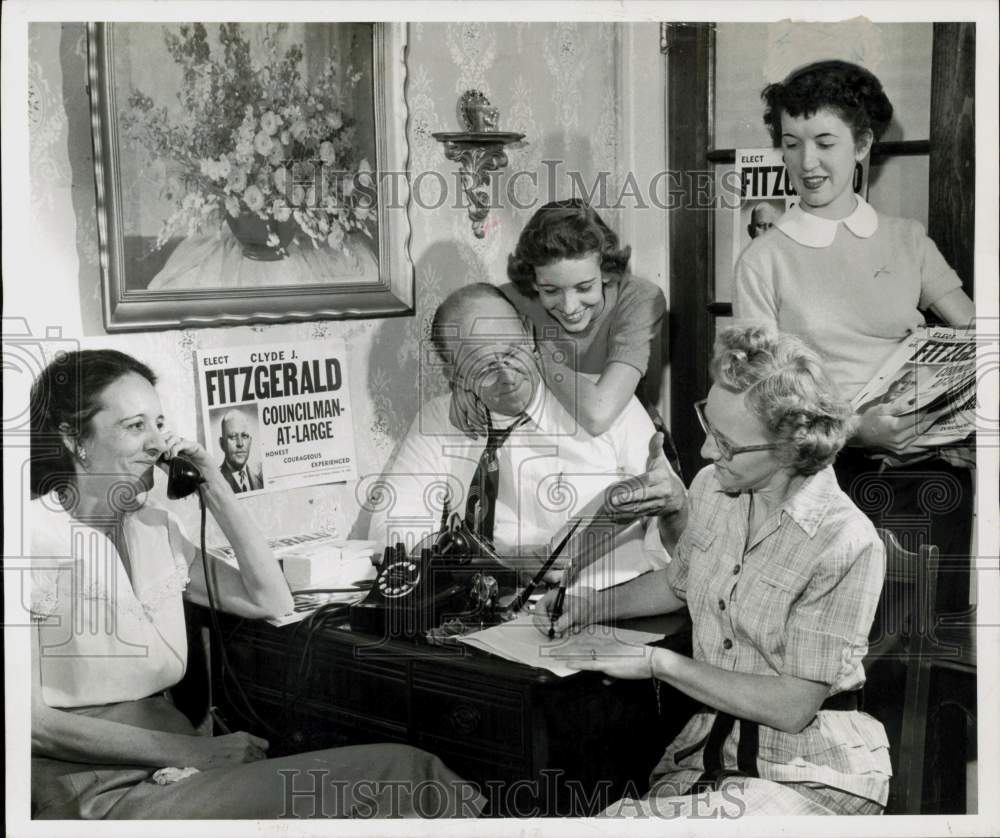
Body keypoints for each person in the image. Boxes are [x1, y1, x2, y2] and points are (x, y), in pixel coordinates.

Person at [27, 349, 483, 819]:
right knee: (406, 776)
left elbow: (269, 597)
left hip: (179, 764)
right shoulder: (27, 537)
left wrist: (216, 487)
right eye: (134, 425)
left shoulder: (155, 527)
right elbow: (30, 724)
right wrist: (195, 754)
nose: (157, 444)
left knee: (408, 773)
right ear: (73, 438)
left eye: (159, 424)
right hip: (97, 785)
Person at [537, 326, 891, 816]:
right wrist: (586, 606)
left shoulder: (845, 542)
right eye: (709, 430)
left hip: (808, 773)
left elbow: (792, 707)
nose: (706, 454)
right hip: (706, 757)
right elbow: (677, 582)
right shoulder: (711, 487)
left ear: (792, 447)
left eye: (727, 445)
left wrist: (660, 663)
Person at [732, 59, 976, 611]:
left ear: (862, 144)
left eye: (824, 142)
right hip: (823, 472)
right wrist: (858, 430)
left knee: (930, 641)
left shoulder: (907, 239)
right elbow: (758, 398)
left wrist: (961, 427)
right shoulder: (762, 259)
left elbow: (980, 338)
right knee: (850, 654)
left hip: (926, 469)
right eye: (791, 144)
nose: (806, 162)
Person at [366, 283, 674, 590]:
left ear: (529, 335)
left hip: (608, 601)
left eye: (512, 352)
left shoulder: (604, 404)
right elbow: (390, 533)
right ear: (455, 375)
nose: (507, 376)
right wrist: (499, 563)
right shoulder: (441, 419)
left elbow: (670, 526)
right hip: (488, 611)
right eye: (483, 366)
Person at [452, 199, 672, 450]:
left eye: (584, 287)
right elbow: (465, 334)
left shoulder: (641, 298)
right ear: (533, 281)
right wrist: (463, 383)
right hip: (548, 440)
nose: (569, 307)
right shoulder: (511, 299)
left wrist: (531, 352)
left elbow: (598, 415)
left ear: (607, 272)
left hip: (628, 440)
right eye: (550, 290)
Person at [218, 410, 264, 493]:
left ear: (250, 441)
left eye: (244, 436)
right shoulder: (216, 482)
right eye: (233, 436)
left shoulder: (261, 480)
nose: (240, 443)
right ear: (222, 444)